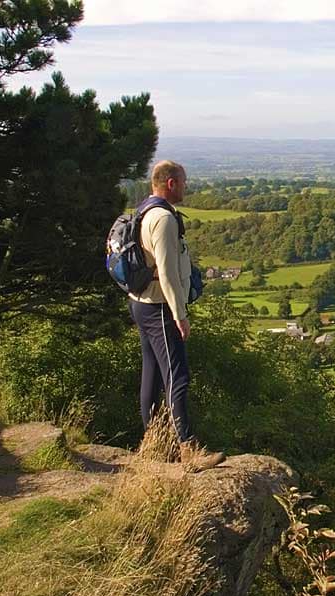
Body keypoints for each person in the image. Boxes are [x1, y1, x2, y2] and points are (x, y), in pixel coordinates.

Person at [128, 160, 225, 472]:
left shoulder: (144, 210)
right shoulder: (164, 219)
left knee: (153, 373)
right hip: (160, 307)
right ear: (170, 183)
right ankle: (188, 450)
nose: (186, 186)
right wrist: (179, 314)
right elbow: (168, 274)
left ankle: (155, 443)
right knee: (178, 376)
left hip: (142, 303)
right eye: (183, 181)